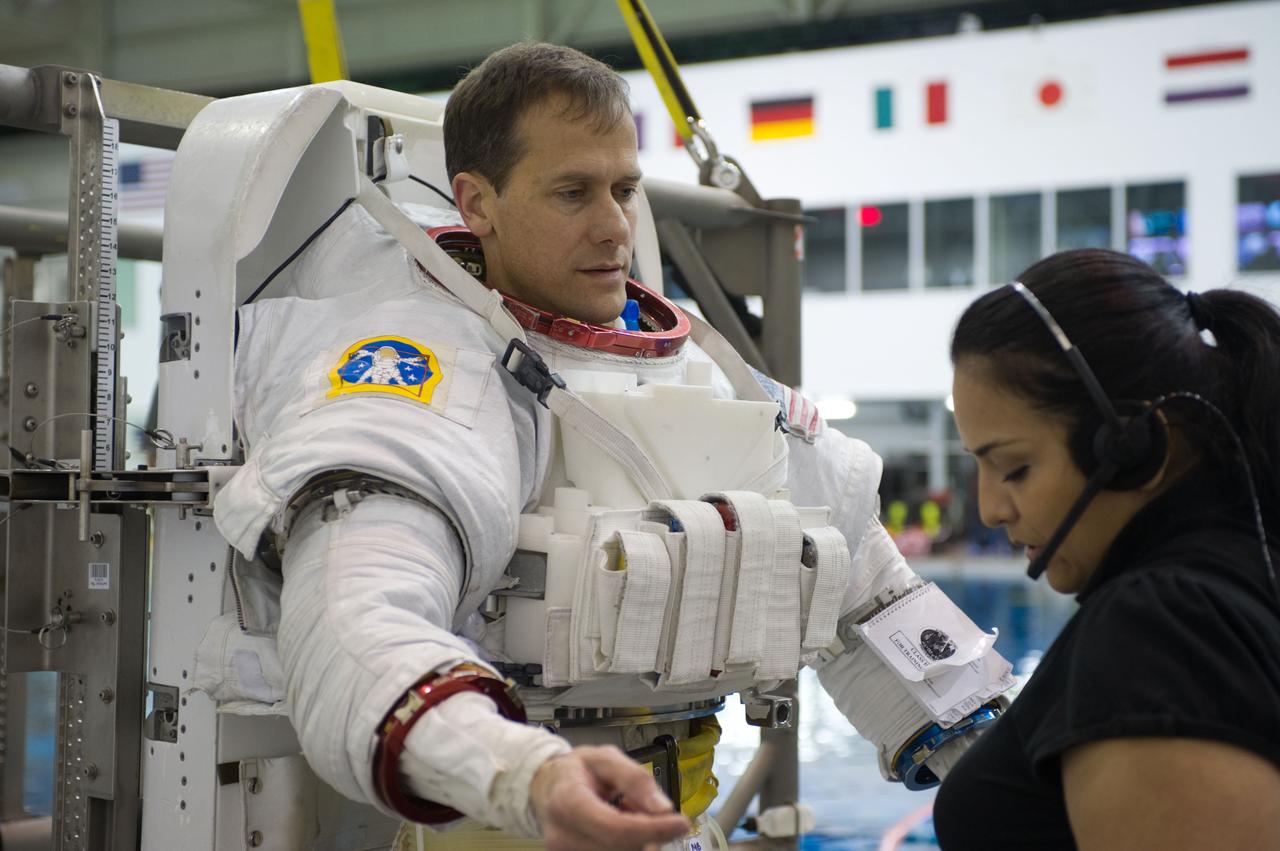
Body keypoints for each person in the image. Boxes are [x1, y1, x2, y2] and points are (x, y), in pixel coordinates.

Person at [206, 42, 1010, 850]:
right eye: (572, 192)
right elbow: (356, 627)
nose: (614, 224)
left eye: (624, 189)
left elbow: (871, 594)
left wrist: (1009, 769)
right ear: (476, 204)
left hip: (679, 825)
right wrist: (528, 774)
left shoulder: (706, 371)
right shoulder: (421, 378)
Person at [935, 247, 1280, 849]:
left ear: (1136, 446)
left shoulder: (1162, 628)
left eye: (1014, 468)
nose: (991, 509)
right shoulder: (1243, 565)